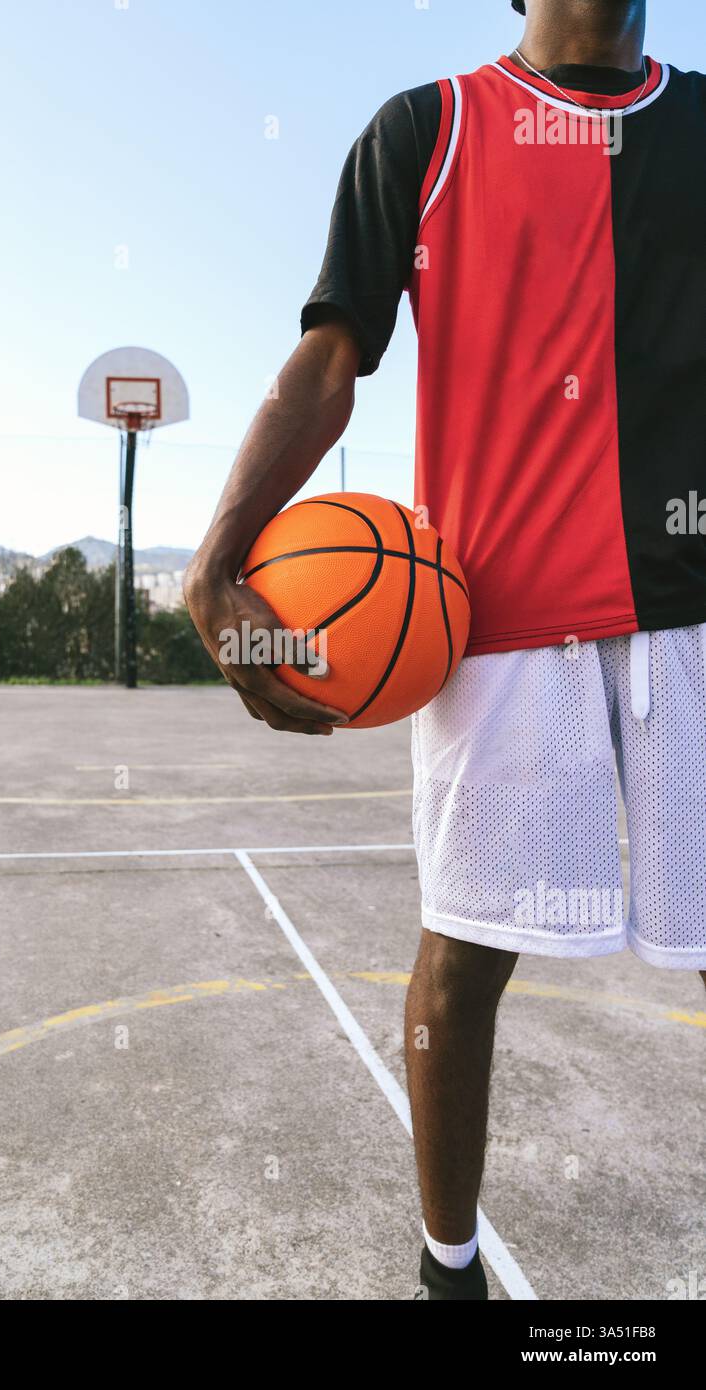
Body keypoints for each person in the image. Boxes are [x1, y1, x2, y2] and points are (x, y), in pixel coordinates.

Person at [185, 0, 706, 1300]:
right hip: (494, 626)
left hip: (696, 610)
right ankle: (447, 1265)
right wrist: (215, 557)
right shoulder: (423, 129)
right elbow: (332, 356)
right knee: (462, 959)